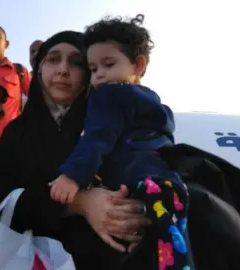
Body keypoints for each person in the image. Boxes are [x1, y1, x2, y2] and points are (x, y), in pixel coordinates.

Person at [0, 30, 151, 270]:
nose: (62, 70)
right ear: (38, 68)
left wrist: (128, 213)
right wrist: (78, 203)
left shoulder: (117, 122)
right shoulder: (16, 132)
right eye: (53, 59)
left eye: (77, 62)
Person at [48, 14, 191, 270]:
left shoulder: (109, 95)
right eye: (93, 69)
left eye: (108, 64)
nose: (100, 76)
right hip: (164, 181)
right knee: (170, 241)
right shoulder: (153, 101)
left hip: (138, 180)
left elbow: (97, 139)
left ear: (137, 65)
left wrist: (72, 177)